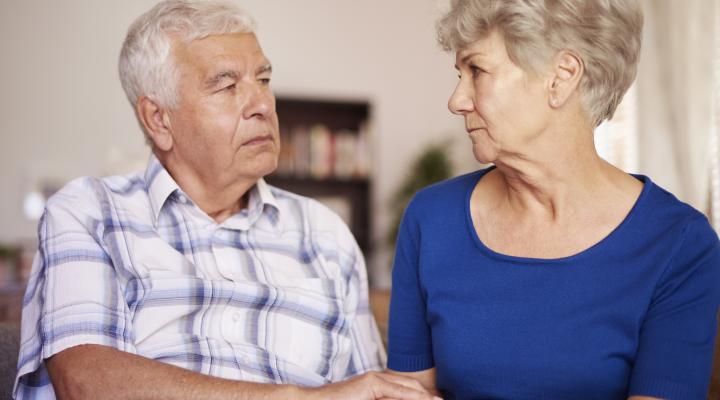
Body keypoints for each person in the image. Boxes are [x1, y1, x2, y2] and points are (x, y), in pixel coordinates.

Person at [13, 1, 439, 399]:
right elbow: (87, 380)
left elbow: (367, 387)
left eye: (264, 80)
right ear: (158, 119)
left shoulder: (324, 233)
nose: (263, 104)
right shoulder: (90, 213)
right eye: (227, 85)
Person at [386, 0, 720, 399]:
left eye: (477, 70)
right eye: (460, 74)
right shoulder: (430, 219)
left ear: (561, 78)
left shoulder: (679, 244)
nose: (457, 100)